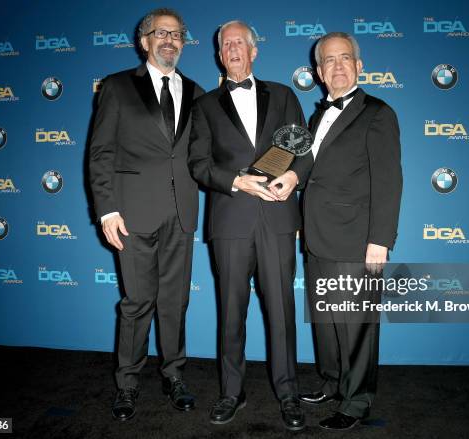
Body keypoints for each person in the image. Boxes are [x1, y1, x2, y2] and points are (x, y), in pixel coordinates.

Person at [188, 20, 313, 431]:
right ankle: (231, 392)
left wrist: (292, 177)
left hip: (277, 217)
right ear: (219, 55)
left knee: (282, 310)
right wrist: (235, 181)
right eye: (226, 44)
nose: (234, 49)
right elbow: (199, 164)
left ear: (254, 51)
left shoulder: (284, 94)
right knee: (231, 312)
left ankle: (289, 392)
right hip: (230, 219)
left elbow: (303, 151)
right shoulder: (204, 106)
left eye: (240, 42)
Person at [89, 8, 204, 421]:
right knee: (137, 303)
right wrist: (107, 210)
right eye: (161, 33)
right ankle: (127, 383)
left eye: (177, 34)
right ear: (144, 41)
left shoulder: (196, 90)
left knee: (175, 302)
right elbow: (101, 152)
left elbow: (202, 153)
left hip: (182, 213)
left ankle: (174, 375)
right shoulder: (118, 87)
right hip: (132, 214)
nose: (170, 40)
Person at [299, 32, 402, 431]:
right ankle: (333, 382)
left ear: (359, 66)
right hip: (316, 236)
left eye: (345, 59)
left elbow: (389, 182)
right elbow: (309, 172)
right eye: (329, 60)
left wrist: (380, 240)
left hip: (357, 239)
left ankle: (356, 402)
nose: (337, 66)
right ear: (319, 72)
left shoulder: (378, 113)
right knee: (326, 321)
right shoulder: (316, 115)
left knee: (356, 326)